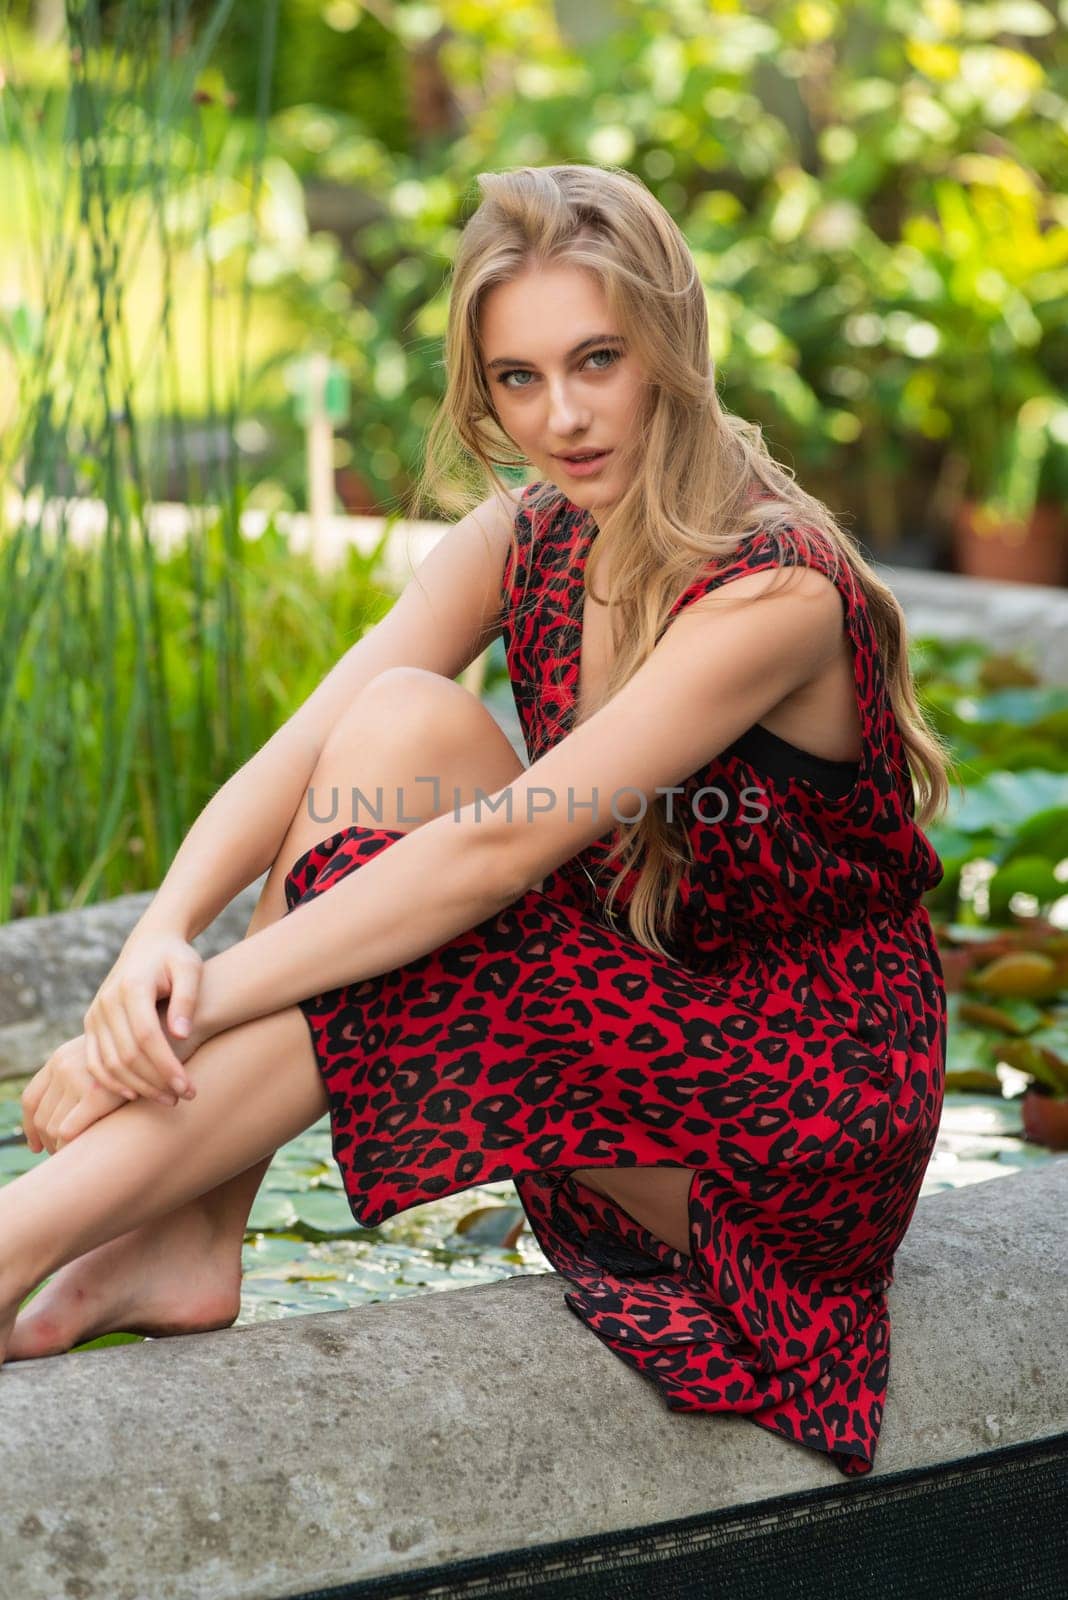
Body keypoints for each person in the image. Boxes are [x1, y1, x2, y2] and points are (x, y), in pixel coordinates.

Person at [4, 164, 950, 1479]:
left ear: (671, 344)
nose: (561, 417)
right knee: (398, 717)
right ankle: (186, 1234)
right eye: (517, 378)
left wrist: (182, 1016)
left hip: (797, 1112)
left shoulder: (773, 589)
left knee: (449, 930)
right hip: (637, 1029)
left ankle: (23, 1237)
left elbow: (501, 848)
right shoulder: (535, 532)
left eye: (598, 360)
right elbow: (301, 750)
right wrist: (152, 943)